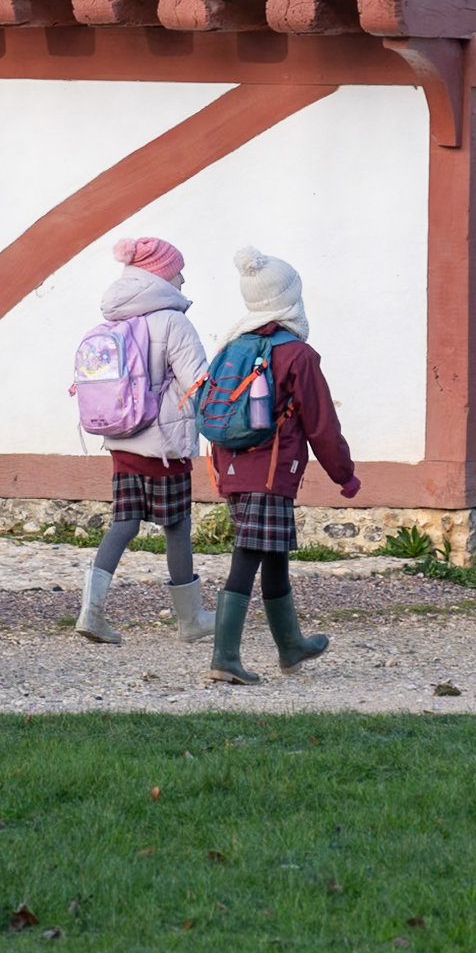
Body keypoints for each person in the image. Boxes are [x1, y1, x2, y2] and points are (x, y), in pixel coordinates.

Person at [204, 247, 360, 686]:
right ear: (290, 298)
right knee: (249, 556)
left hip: (234, 470)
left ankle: (290, 647)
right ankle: (225, 658)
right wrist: (344, 475)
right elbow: (322, 424)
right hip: (271, 474)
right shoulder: (296, 355)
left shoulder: (233, 344)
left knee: (272, 556)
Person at [75, 236, 214, 646]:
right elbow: (197, 384)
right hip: (163, 445)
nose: (183, 278)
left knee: (124, 522)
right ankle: (191, 619)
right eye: (177, 271)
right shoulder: (173, 321)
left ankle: (91, 612)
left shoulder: (116, 319)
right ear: (161, 275)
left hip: (120, 439)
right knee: (177, 525)